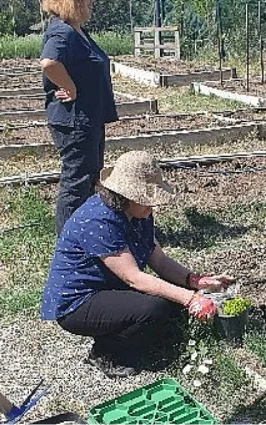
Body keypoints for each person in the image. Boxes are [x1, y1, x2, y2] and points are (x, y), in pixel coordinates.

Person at [41, 151, 235, 378]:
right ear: (124, 195)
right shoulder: (98, 220)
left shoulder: (138, 213)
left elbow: (159, 260)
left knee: (173, 308)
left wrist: (196, 281)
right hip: (79, 301)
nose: (151, 207)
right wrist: (190, 298)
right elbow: (134, 278)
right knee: (153, 309)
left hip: (108, 287)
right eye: (146, 200)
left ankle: (141, 340)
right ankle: (106, 353)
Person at [40, 0, 118, 234]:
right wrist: (70, 87)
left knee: (89, 177)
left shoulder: (77, 31)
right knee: (76, 181)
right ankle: (68, 240)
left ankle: (85, 231)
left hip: (89, 116)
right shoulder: (62, 30)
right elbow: (49, 62)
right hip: (75, 120)